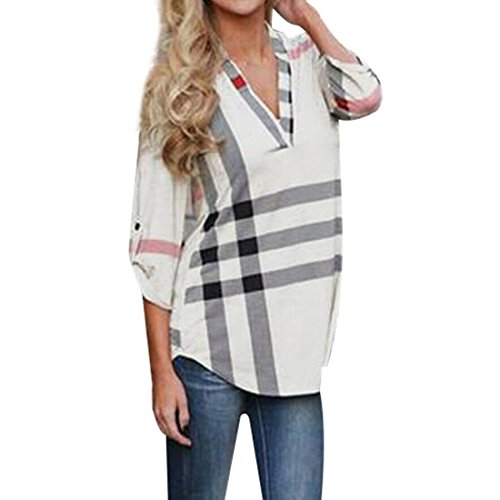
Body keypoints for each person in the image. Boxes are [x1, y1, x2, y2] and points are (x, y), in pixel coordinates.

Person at [128, 0, 382, 498]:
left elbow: (364, 95)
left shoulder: (308, 62)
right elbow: (157, 241)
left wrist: (305, 14)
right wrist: (161, 372)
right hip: (207, 350)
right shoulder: (181, 86)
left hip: (295, 355)